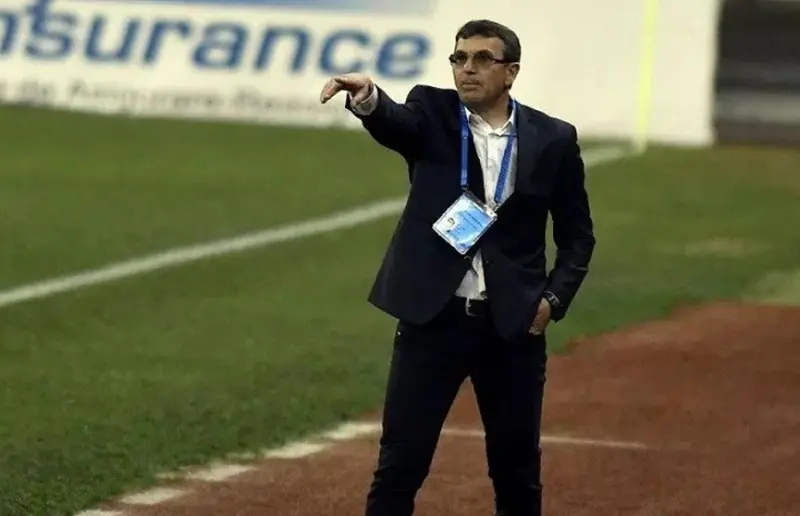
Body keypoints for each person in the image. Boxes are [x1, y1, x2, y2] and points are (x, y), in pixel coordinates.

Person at [319, 18, 595, 516]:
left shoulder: (553, 138)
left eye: (482, 59)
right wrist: (368, 99)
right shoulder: (433, 113)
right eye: (459, 58)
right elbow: (396, 123)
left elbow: (577, 236)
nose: (467, 69)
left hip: (511, 327)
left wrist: (553, 301)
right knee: (400, 464)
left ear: (511, 72)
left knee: (516, 472)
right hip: (433, 321)